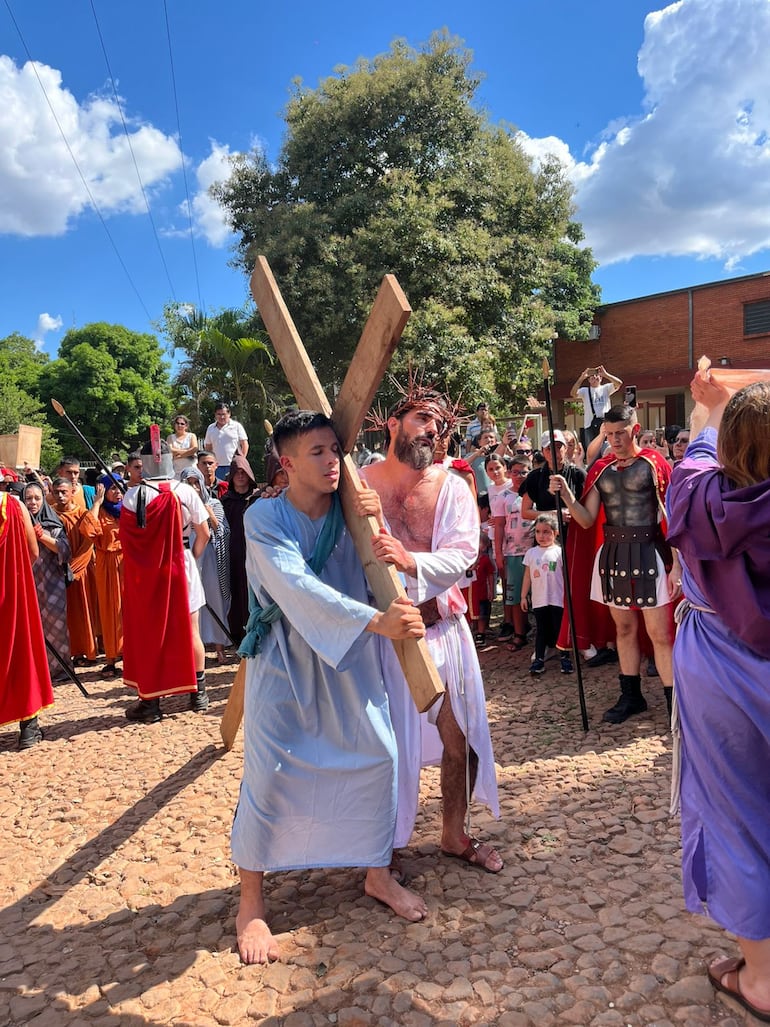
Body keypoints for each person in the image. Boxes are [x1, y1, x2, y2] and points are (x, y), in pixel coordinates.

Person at [231, 411, 428, 965]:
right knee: (269, 775)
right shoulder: (264, 519)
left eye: (334, 450)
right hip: (286, 662)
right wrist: (377, 622)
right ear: (286, 464)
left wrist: (378, 527)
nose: (330, 461)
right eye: (315, 452)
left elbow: (384, 570)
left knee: (379, 757)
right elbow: (296, 588)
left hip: (348, 663)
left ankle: (377, 874)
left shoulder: (354, 511)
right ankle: (251, 902)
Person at [358, 387, 502, 873]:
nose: (432, 429)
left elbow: (463, 554)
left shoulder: (452, 487)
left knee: (459, 736)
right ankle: (385, 846)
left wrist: (409, 558)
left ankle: (454, 833)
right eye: (422, 418)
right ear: (393, 424)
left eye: (437, 423)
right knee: (385, 744)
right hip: (380, 636)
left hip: (440, 629)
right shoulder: (358, 484)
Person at [666, 376, 770, 1021]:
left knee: (736, 814)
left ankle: (760, 977)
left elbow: (695, 457)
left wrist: (713, 406)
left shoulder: (702, 495)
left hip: (722, 669)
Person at [550, 404, 680, 723]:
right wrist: (567, 494)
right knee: (623, 628)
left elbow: (671, 517)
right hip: (613, 556)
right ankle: (631, 696)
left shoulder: (654, 463)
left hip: (651, 553)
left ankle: (674, 701)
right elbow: (586, 519)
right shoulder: (602, 469)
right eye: (608, 434)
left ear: (635, 430)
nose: (614, 440)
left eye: (620, 433)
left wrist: (677, 565)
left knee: (659, 632)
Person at [119, 441, 210, 723]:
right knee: (191, 629)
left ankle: (151, 702)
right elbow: (204, 533)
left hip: (148, 573)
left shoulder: (132, 496)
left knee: (151, 632)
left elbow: (128, 541)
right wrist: (190, 558)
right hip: (181, 564)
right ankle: (199, 694)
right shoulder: (186, 491)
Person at [0, 490, 54, 748]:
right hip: (13, 591)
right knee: (22, 651)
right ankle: (28, 729)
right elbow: (33, 552)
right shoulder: (13, 505)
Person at [181, 465, 231, 665]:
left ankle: (220, 648)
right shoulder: (178, 505)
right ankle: (194, 651)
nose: (194, 487)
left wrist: (205, 511)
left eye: (196, 483)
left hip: (209, 555)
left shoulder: (214, 503)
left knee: (214, 598)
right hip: (186, 554)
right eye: (189, 483)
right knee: (191, 602)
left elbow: (221, 530)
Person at [23, 481, 72, 682]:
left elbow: (65, 550)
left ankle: (61, 670)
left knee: (56, 626)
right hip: (28, 582)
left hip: (53, 583)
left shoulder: (53, 523)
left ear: (44, 499)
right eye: (28, 498)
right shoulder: (18, 523)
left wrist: (42, 536)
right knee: (30, 628)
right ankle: (35, 673)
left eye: (37, 498)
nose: (33, 502)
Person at [50, 477, 99, 665]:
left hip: (82, 571)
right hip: (57, 571)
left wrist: (74, 568)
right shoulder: (50, 515)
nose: (61, 496)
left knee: (84, 611)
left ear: (72, 492)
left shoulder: (82, 514)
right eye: (57, 492)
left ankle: (86, 651)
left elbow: (88, 543)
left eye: (64, 492)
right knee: (64, 614)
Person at [81, 477, 124, 677]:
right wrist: (97, 503)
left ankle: (131, 654)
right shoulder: (101, 511)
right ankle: (110, 659)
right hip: (106, 564)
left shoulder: (127, 510)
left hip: (127, 563)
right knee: (109, 610)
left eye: (120, 488)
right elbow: (88, 531)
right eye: (112, 488)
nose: (117, 492)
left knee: (129, 610)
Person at [521, 513, 571, 675]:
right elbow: (527, 575)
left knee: (559, 628)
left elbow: (566, 576)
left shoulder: (559, 552)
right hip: (539, 599)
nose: (541, 536)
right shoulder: (531, 553)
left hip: (557, 598)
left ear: (555, 533)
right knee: (541, 629)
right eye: (538, 532)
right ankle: (539, 660)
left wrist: (569, 595)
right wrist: (523, 596)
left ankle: (565, 657)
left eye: (546, 532)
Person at [494, 458, 534, 652]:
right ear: (509, 473)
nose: (520, 476)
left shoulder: (534, 493)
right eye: (516, 472)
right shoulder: (502, 497)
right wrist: (498, 553)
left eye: (524, 472)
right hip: (513, 551)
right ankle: (519, 633)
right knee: (516, 595)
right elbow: (499, 526)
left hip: (534, 548)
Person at [221, 455, 260, 644]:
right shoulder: (225, 501)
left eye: (244, 472)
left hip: (254, 552)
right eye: (237, 472)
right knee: (235, 590)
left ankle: (254, 629)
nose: (240, 476)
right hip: (232, 553)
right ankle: (236, 632)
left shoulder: (258, 498)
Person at [520, 430, 586, 534]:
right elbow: (525, 512)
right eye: (549, 448)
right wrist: (554, 514)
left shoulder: (578, 475)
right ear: (542, 451)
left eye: (558, 447)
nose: (554, 452)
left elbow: (587, 510)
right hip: (546, 535)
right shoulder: (534, 477)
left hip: (574, 533)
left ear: (566, 448)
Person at [570, 365, 623, 450]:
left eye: (596, 375)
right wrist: (581, 378)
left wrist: (606, 374)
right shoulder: (585, 391)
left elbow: (619, 383)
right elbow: (573, 393)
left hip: (605, 424)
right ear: (588, 380)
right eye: (591, 376)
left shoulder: (606, 388)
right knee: (592, 450)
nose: (594, 377)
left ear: (601, 378)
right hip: (589, 425)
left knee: (606, 449)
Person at [204, 402, 249, 480]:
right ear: (215, 415)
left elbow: (244, 444)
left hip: (233, 465)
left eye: (224, 414)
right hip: (217, 466)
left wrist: (241, 460)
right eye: (219, 414)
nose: (221, 417)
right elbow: (208, 447)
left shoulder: (236, 426)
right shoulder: (210, 428)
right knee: (219, 489)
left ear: (229, 414)